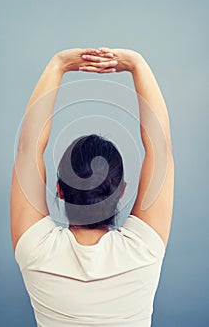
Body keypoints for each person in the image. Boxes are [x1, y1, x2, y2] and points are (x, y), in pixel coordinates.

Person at [10, 47, 174, 327]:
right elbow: (160, 148)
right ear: (121, 190)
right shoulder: (144, 249)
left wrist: (57, 64)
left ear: (59, 190)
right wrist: (138, 64)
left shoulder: (35, 250)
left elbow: (28, 149)